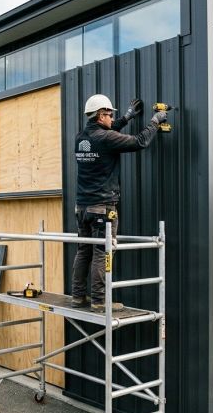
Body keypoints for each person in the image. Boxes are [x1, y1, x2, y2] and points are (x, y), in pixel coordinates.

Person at [71, 94, 167, 312]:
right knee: (102, 252)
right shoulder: (105, 138)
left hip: (82, 207)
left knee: (84, 250)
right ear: (100, 115)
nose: (112, 118)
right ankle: (99, 301)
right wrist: (154, 121)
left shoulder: (81, 137)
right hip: (102, 207)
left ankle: (78, 296)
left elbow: (108, 131)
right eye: (109, 114)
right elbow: (139, 141)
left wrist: (127, 117)